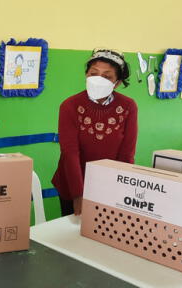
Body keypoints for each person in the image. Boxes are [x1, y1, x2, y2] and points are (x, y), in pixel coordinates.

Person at [52, 48, 138, 216]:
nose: (98, 80)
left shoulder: (128, 107)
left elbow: (127, 153)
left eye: (107, 76)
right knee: (72, 234)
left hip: (109, 184)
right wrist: (78, 195)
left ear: (117, 82)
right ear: (86, 75)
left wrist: (121, 189)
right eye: (94, 73)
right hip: (73, 183)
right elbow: (70, 152)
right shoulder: (70, 106)